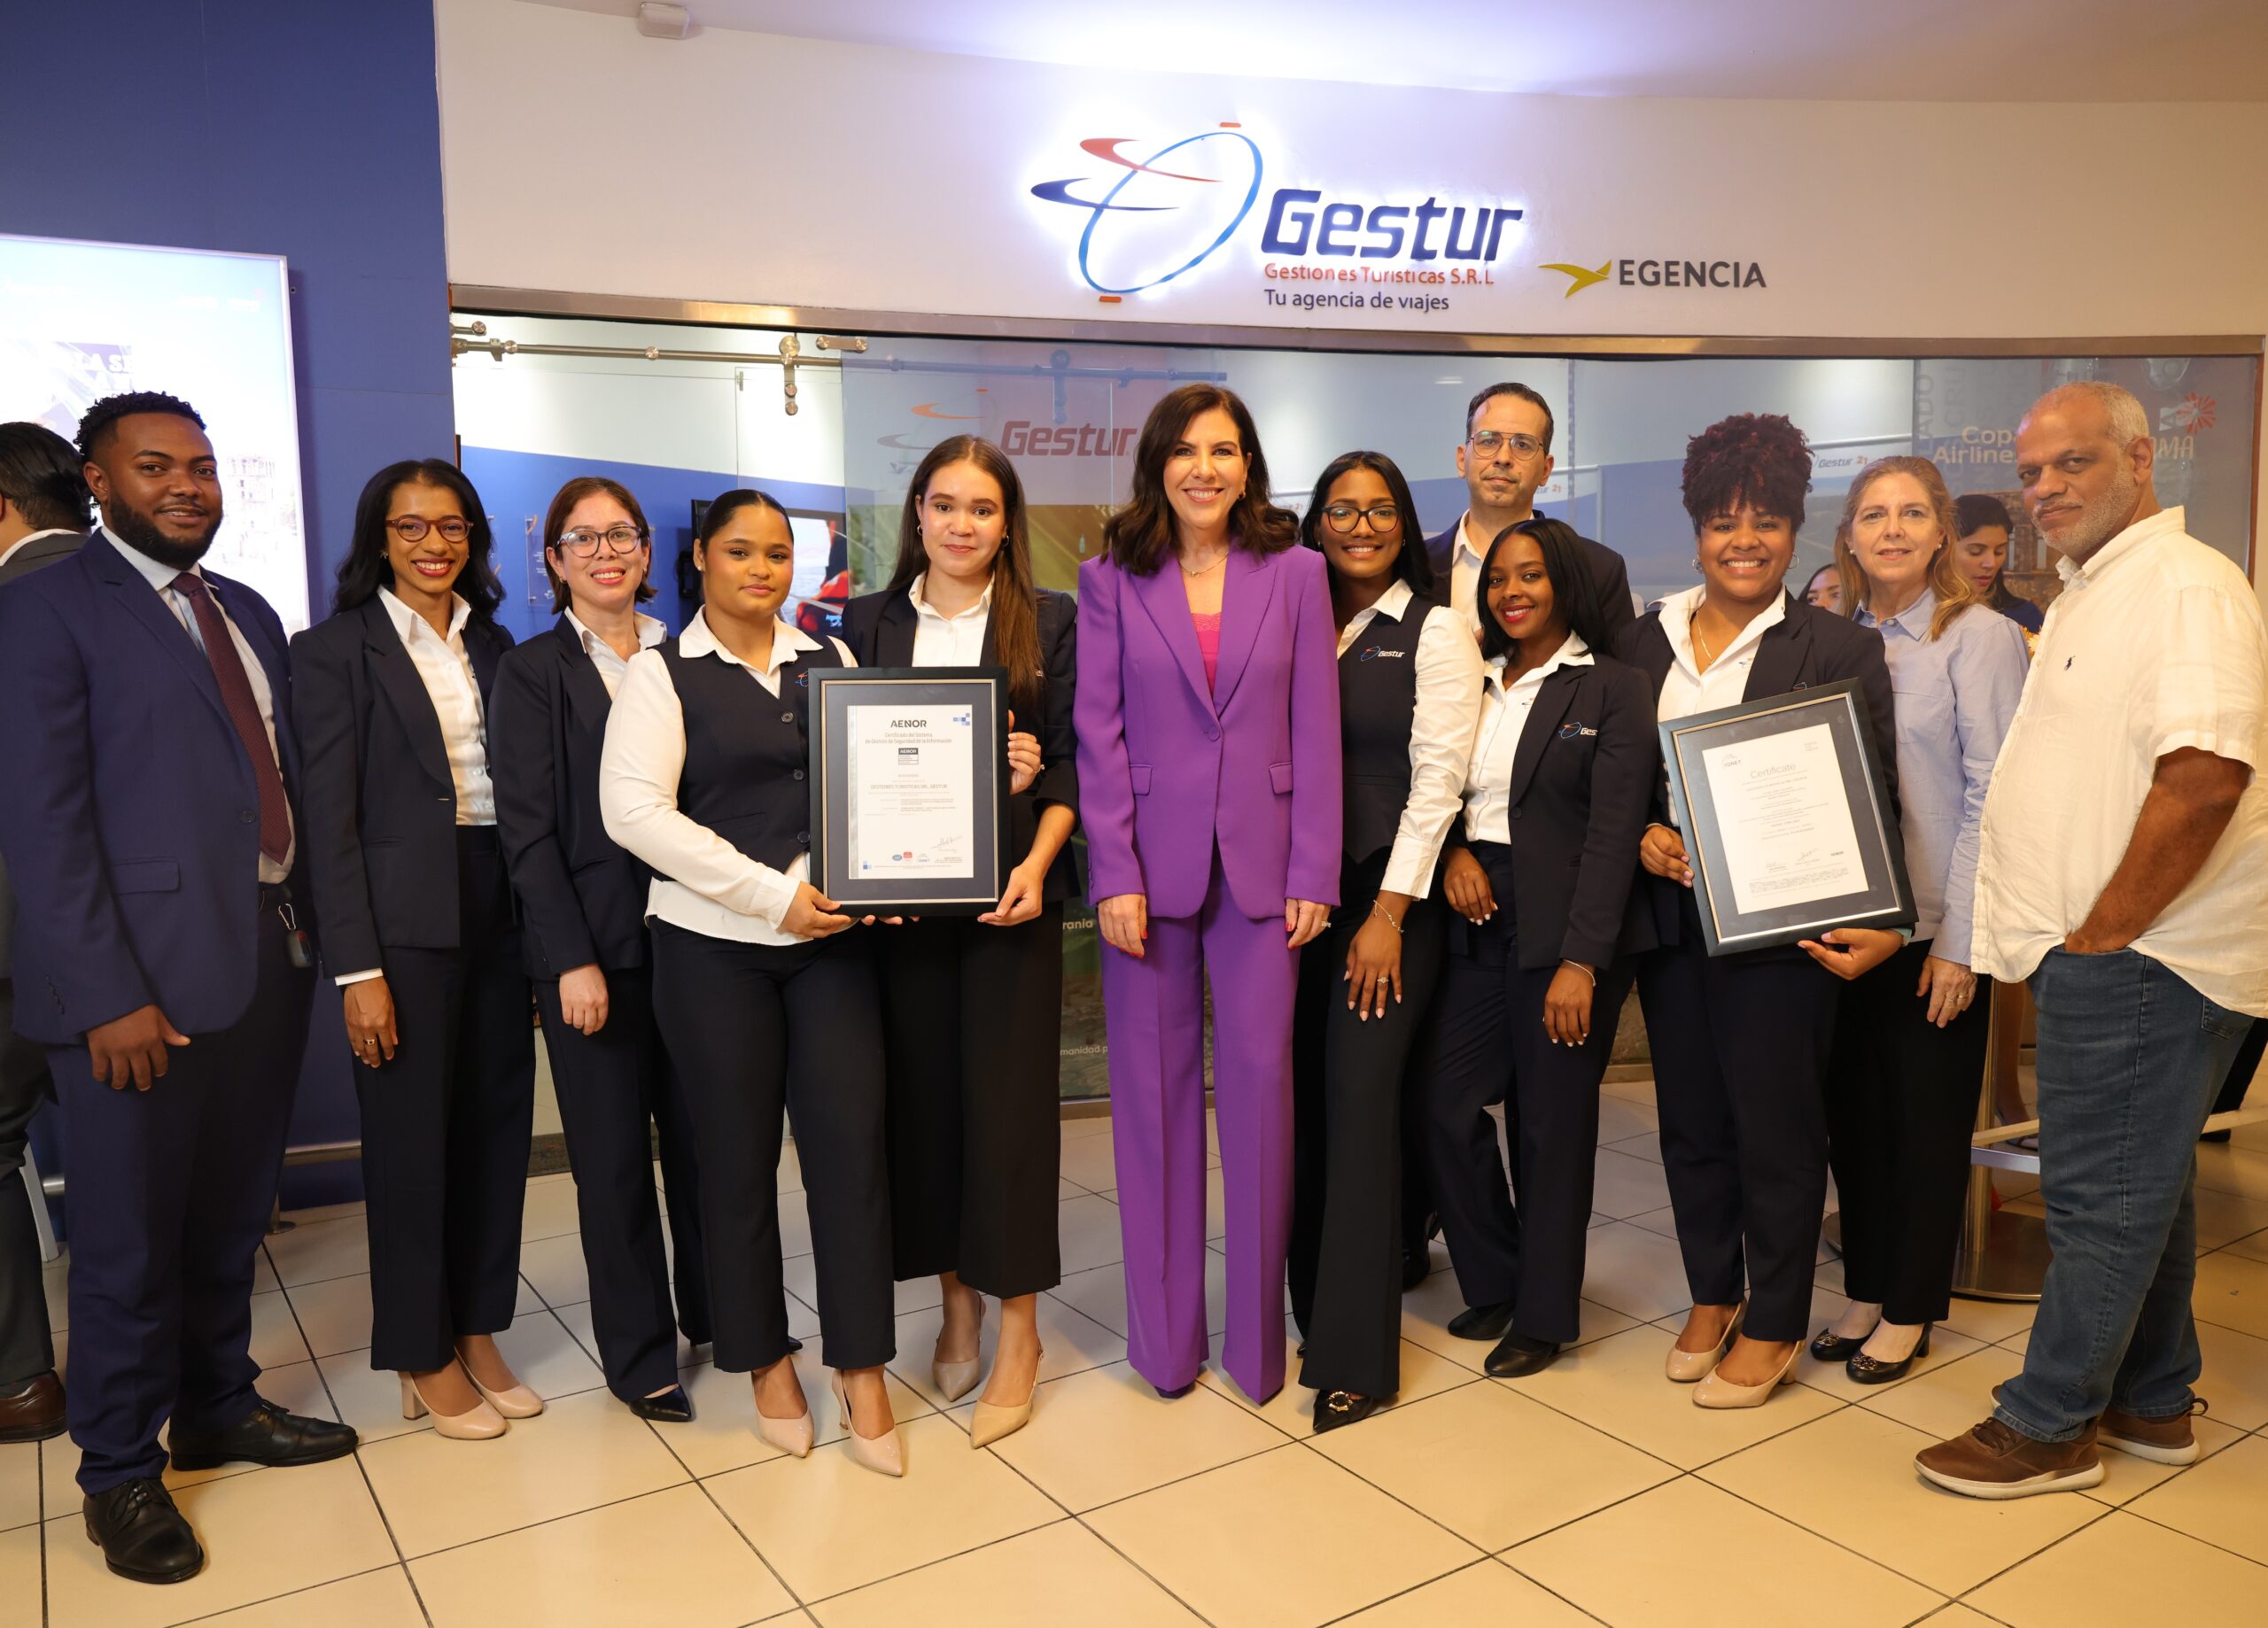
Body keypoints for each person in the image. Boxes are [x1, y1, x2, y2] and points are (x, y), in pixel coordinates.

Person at [0, 393, 354, 1585]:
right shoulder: (44, 607)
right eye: (154, 467)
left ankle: (217, 1405)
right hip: (134, 986)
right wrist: (105, 993)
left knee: (228, 1217)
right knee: (127, 1243)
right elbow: (43, 825)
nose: (187, 485)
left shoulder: (244, 607)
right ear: (98, 482)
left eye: (200, 466)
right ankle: (118, 1470)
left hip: (259, 958)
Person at [1917, 383, 2267, 1498]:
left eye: (2072, 462)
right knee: (2140, 1184)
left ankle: (2048, 1422)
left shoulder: (2184, 586)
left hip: (2147, 955)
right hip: (2115, 951)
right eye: (2030, 472)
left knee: (2096, 1199)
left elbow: (2205, 773)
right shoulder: (2095, 589)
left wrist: (2106, 931)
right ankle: (2151, 1399)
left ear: (2139, 457)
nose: (2044, 489)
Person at [602, 489, 903, 1476]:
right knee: (733, 1165)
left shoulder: (831, 659)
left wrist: (890, 873)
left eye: (778, 553)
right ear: (699, 558)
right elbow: (635, 814)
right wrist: (772, 895)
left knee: (851, 1155)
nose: (762, 569)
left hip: (831, 948)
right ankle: (766, 1360)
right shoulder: (660, 673)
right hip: (711, 950)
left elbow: (867, 789)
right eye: (740, 551)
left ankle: (861, 1364)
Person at [1624, 413, 1907, 1408]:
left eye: (1767, 522)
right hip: (1671, 926)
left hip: (1784, 935)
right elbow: (1618, 778)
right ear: (1697, 530)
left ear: (1794, 531)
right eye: (1723, 522)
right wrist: (1642, 833)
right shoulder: (1642, 640)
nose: (1744, 541)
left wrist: (1888, 916)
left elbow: (1874, 795)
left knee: (1777, 1128)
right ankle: (1714, 1292)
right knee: (1690, 1121)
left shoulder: (1836, 646)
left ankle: (1777, 1314)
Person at [1077, 384, 1341, 1405]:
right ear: (1158, 462)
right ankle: (1164, 1345)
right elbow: (1097, 732)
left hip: (1267, 868)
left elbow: (1314, 724)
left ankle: (1256, 1347)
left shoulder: (1298, 571)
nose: (1204, 467)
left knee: (1262, 1101)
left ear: (1248, 466)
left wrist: (1314, 867)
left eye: (1223, 450)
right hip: (1147, 870)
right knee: (1151, 1107)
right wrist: (1113, 871)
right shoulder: (1110, 576)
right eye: (1185, 450)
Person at [291, 460, 538, 1441]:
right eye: (411, 527)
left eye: (452, 527)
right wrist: (358, 971)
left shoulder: (498, 644)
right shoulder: (333, 650)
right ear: (379, 539)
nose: (434, 544)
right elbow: (329, 821)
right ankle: (418, 1349)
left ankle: (475, 1326)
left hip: (497, 905)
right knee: (410, 1144)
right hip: (398, 925)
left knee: (495, 1132)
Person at [841, 437, 1078, 1449]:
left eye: (982, 508)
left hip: (1010, 902)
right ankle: (956, 1303)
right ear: (917, 513)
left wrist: (1037, 857)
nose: (961, 524)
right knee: (925, 1109)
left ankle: (1019, 1330)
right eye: (944, 505)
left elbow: (1071, 763)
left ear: (1005, 521)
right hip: (900, 915)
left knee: (1010, 1117)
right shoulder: (867, 620)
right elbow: (844, 759)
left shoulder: (1050, 621)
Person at [489, 477, 710, 1423]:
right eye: (582, 538)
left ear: (648, 552)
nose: (605, 552)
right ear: (554, 560)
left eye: (621, 534)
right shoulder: (531, 671)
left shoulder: (689, 654)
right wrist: (569, 958)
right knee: (614, 1164)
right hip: (595, 955)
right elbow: (527, 831)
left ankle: (720, 1317)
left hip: (700, 940)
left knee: (706, 1148)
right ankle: (641, 1355)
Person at [1418, 516, 1655, 1382]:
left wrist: (1582, 961)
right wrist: (1451, 854)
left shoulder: (1612, 687)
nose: (1510, 591)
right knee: (1441, 1102)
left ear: (1563, 584)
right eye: (1497, 578)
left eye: (1529, 575)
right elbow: (1432, 783)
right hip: (1472, 910)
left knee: (1550, 1127)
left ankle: (1545, 1312)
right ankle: (1497, 1275)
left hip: (1564, 924)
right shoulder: (1471, 677)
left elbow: (1613, 833)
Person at [1811, 458, 2029, 1382]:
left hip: (1933, 930)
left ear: (1940, 531)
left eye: (1910, 513)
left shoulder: (1978, 638)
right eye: (1873, 514)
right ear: (1849, 537)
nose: (1891, 529)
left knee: (1925, 1126)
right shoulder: (1830, 640)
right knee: (1854, 1123)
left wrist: (1961, 943)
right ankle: (1866, 1287)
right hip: (1842, 926)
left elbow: (1994, 797)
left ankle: (1909, 1306)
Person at [1288, 452, 1480, 1431]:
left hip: (1383, 904)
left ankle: (1356, 1358)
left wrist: (1390, 913)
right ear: (1315, 523)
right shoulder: (1292, 619)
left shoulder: (1436, 629)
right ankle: (1311, 1316)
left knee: (1362, 1110)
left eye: (1379, 510)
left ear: (1404, 523)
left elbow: (1437, 781)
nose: (1360, 526)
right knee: (1305, 1114)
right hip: (1293, 904)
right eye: (1341, 510)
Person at [0, 421, 89, 1447]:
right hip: (146, 945)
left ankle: (23, 1380)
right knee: (135, 1158)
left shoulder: (13, 607)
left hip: (13, 945)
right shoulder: (158, 603)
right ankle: (163, 1370)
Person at [1425, 382, 1635, 647]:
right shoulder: (1412, 565)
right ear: (1461, 459)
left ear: (1546, 470)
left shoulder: (1598, 568)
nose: (1503, 457)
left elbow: (1618, 671)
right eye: (1488, 441)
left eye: (1522, 445)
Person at [1953, 493, 2045, 634]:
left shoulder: (2024, 616)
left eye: (1999, 552)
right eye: (1976, 552)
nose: (1991, 563)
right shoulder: (1923, 615)